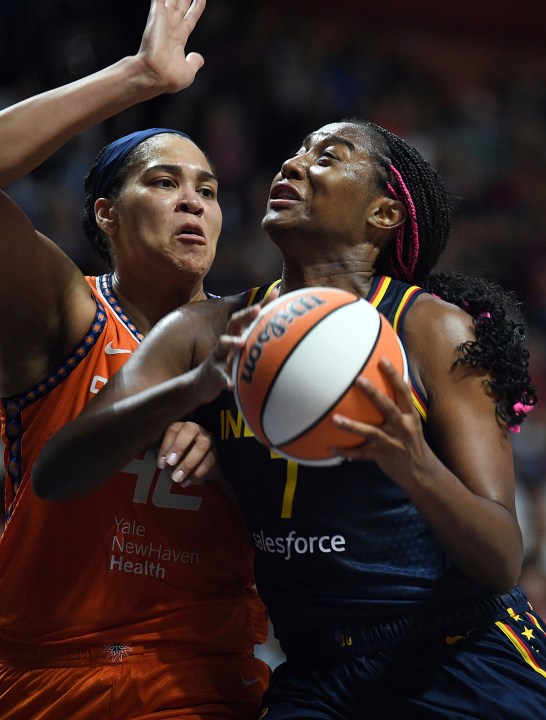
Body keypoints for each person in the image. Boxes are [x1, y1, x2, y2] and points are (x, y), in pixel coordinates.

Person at [33, 117, 546, 719]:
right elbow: (57, 472)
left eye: (328, 155)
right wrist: (192, 391)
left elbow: (499, 559)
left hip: (459, 653)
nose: (294, 164)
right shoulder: (206, 332)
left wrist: (412, 463)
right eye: (297, 150)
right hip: (315, 671)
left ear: (384, 214)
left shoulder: (430, 329)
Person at [0, 2, 270, 719]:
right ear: (105, 214)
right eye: (163, 182)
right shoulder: (68, 312)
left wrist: (232, 443)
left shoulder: (263, 331)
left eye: (208, 191)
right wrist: (138, 76)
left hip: (208, 676)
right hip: (54, 670)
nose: (193, 202)